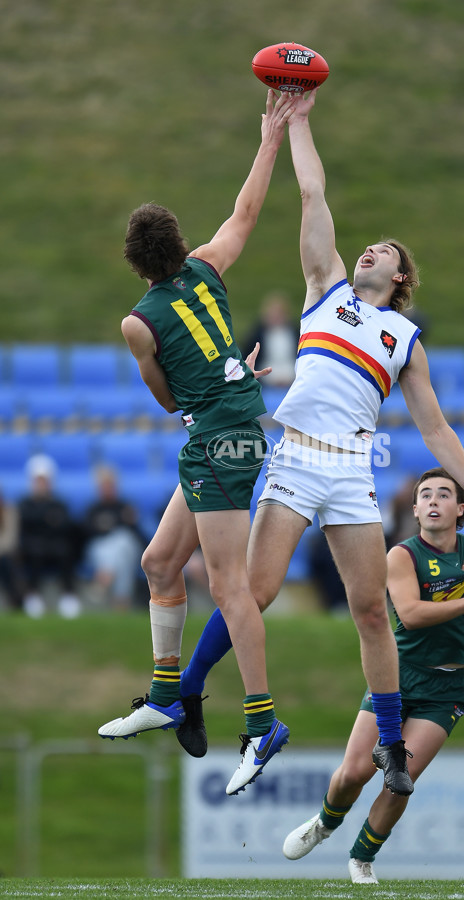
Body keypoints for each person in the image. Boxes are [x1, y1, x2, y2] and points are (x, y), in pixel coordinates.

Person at [176, 89, 464, 800]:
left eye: (384, 253)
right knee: (257, 589)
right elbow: (312, 191)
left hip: (351, 469)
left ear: (399, 279)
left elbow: (434, 428)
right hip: (297, 457)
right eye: (368, 246)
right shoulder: (325, 288)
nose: (368, 250)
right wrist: (299, 123)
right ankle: (187, 689)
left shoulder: (405, 340)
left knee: (371, 609)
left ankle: (391, 747)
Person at [98, 90, 297, 796]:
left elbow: (164, 395)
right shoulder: (209, 265)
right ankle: (166, 695)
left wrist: (211, 390)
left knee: (228, 585)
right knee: (159, 563)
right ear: (180, 245)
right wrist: (270, 137)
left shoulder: (136, 322)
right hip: (232, 428)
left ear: (134, 261)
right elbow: (245, 212)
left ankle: (262, 720)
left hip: (217, 439)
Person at [282, 468, 464, 883]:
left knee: (399, 781)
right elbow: (411, 614)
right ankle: (324, 823)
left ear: (461, 508)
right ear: (415, 508)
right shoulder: (401, 555)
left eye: (444, 494)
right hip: (397, 677)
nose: (433, 501)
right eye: (425, 495)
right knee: (354, 772)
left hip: (448, 688)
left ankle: (361, 858)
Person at [17, 454, 82, 619]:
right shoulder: (24, 504)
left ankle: (68, 595)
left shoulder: (59, 503)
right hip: (33, 549)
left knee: (65, 550)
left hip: (55, 548)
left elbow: (65, 527)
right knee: (35, 550)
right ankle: (33, 595)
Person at [82, 466, 145, 611]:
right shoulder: (93, 509)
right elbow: (86, 536)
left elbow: (139, 537)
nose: (107, 489)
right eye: (104, 486)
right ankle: (121, 601)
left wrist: (131, 522)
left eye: (110, 485)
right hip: (100, 549)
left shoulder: (126, 507)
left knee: (124, 541)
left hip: (128, 549)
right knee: (121, 551)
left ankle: (105, 577)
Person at [242, 290, 299, 387]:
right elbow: (247, 353)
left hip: (291, 380)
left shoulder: (295, 332)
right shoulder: (258, 333)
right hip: (266, 381)